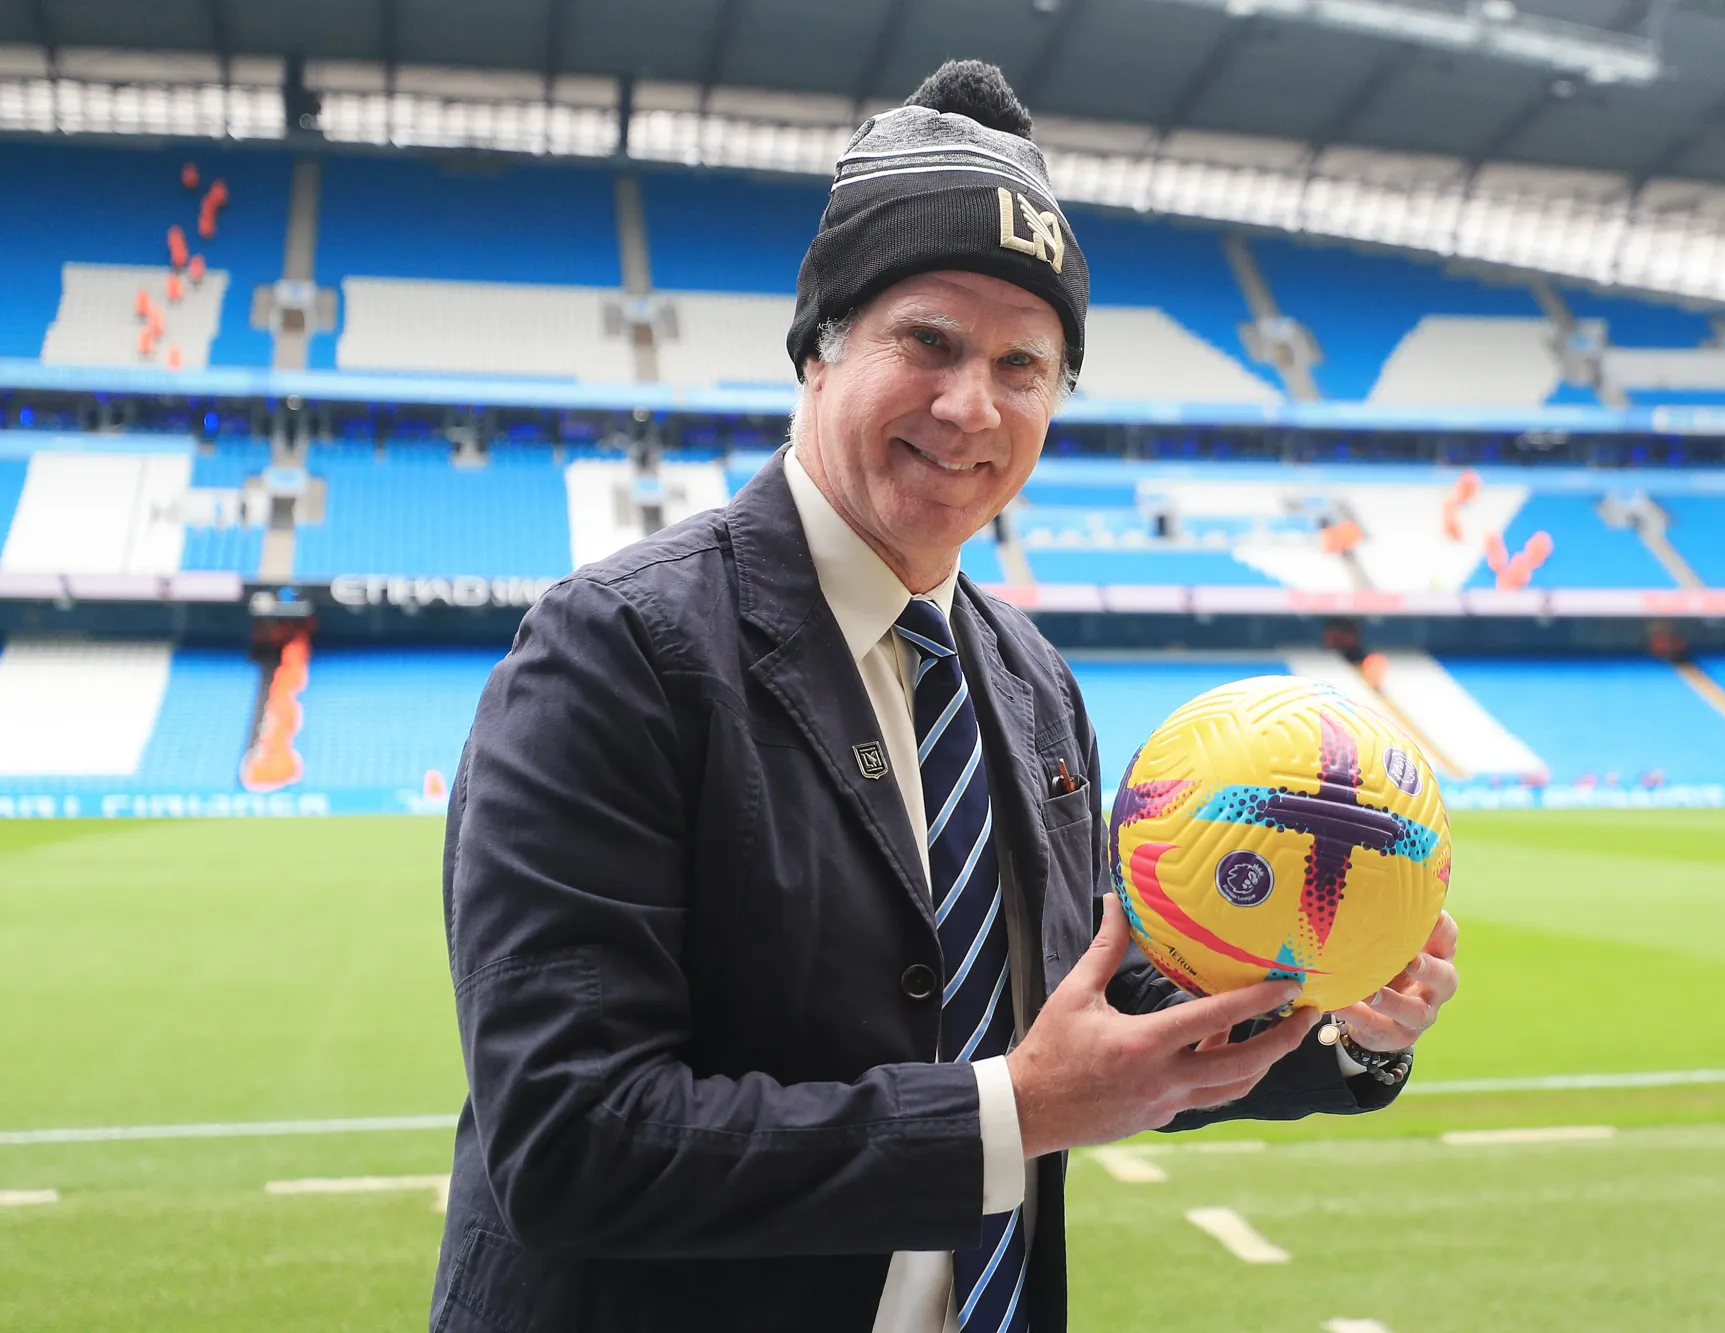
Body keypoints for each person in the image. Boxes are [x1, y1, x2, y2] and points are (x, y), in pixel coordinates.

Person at [431, 60, 1458, 1333]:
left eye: (1024, 365)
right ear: (818, 345)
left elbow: (1107, 1003)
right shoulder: (612, 651)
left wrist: (1341, 1021)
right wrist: (1016, 1111)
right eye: (926, 339)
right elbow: (572, 1140)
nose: (971, 405)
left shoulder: (1028, 679)